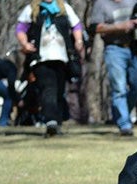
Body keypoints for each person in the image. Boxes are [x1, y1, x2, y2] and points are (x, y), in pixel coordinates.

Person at [16, 0, 85, 137]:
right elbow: (20, 29)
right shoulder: (32, 9)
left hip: (62, 57)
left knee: (59, 91)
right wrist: (25, 44)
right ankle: (50, 121)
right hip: (41, 58)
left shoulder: (63, 7)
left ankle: (56, 124)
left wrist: (78, 41)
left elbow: (76, 25)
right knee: (48, 88)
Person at [90, 0, 137, 137]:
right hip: (114, 49)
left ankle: (120, 114)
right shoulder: (101, 4)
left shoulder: (133, 1)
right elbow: (94, 28)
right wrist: (119, 26)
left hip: (134, 48)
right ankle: (125, 125)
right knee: (119, 88)